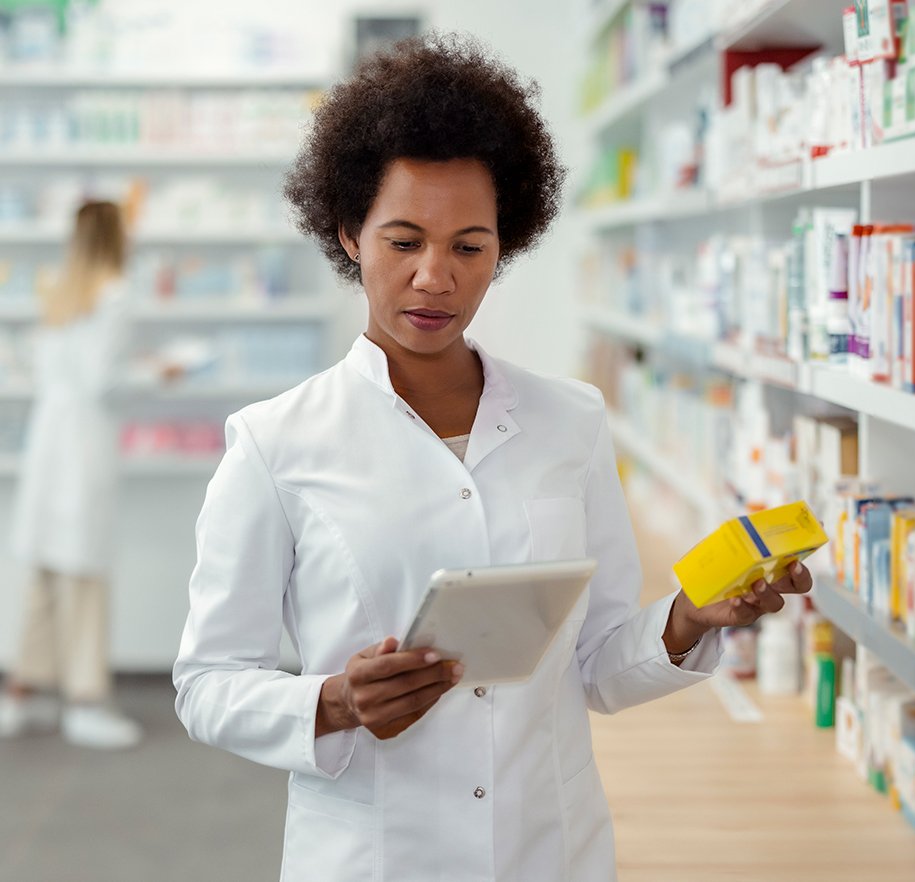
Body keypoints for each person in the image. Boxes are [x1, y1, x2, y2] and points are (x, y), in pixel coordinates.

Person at [172, 33, 814, 881]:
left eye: (468, 247)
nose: (435, 276)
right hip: (375, 854)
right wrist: (331, 702)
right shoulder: (275, 442)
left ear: (502, 249)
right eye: (403, 241)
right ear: (348, 234)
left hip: (548, 846)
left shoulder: (570, 421)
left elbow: (599, 664)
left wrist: (692, 618)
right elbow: (208, 682)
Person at [0, 200, 143, 750]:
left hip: (48, 441)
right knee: (84, 573)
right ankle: (84, 701)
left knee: (45, 571)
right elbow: (102, 382)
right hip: (82, 444)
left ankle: (20, 691)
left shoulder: (59, 294)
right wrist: (157, 374)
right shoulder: (116, 293)